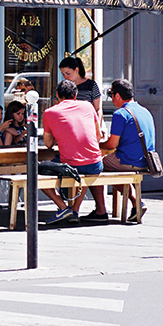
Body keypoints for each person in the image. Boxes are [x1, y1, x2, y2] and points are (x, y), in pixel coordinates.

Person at [81, 78, 156, 224]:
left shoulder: (120, 114)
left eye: (111, 95)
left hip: (127, 161)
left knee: (94, 166)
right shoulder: (145, 111)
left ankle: (101, 210)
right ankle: (137, 202)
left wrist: (96, 144)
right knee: (107, 166)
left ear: (117, 96)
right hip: (145, 161)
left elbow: (111, 144)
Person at [41, 79, 104, 225]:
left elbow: (49, 144)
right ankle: (74, 210)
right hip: (96, 163)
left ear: (57, 95)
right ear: (76, 95)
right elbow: (98, 135)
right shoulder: (88, 106)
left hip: (71, 165)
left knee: (37, 172)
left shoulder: (50, 112)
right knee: (86, 169)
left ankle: (63, 207)